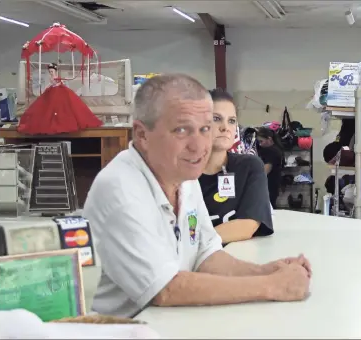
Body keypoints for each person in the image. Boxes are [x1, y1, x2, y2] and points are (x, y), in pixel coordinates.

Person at [83, 74, 311, 319]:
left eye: (204, 129)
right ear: (141, 134)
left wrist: (265, 271)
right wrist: (273, 286)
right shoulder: (120, 188)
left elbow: (206, 254)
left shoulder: (183, 176)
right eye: (182, 130)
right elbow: (166, 289)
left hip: (169, 322)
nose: (199, 146)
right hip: (125, 328)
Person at [198, 89, 273, 245]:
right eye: (216, 118)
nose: (225, 127)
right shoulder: (180, 173)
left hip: (235, 260)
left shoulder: (249, 167)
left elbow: (248, 225)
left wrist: (192, 244)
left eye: (231, 121)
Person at [256, 127, 284, 209]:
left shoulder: (271, 151)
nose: (260, 144)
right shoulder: (275, 149)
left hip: (269, 186)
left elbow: (265, 171)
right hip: (271, 185)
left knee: (268, 210)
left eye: (261, 141)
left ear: (269, 139)